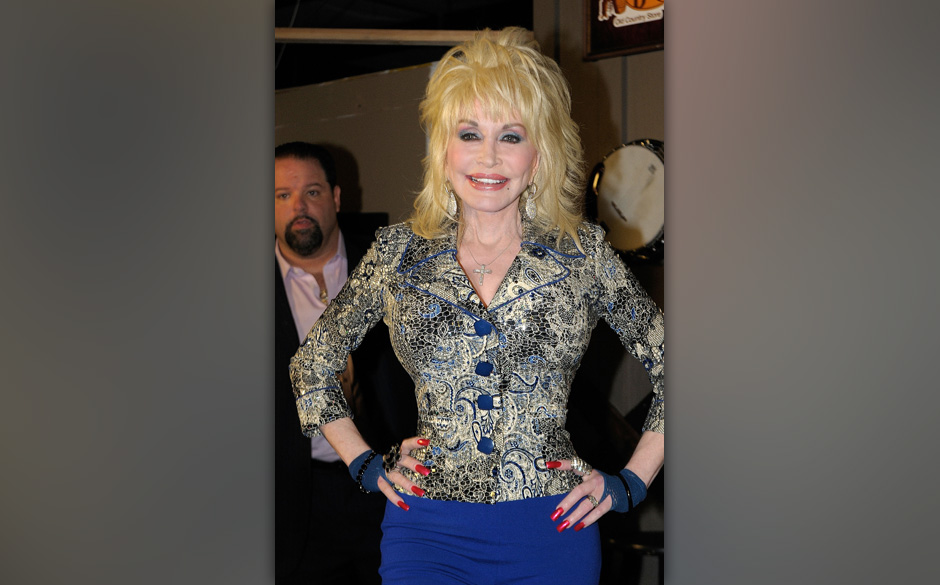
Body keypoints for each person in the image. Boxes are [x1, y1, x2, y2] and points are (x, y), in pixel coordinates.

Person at [290, 28, 664, 585]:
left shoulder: (583, 255)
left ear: (539, 155)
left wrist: (630, 482)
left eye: (511, 136)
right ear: (443, 151)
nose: (489, 156)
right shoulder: (398, 255)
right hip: (426, 530)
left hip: (552, 528)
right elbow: (311, 365)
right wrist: (364, 463)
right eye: (470, 133)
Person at [275, 141, 414, 584]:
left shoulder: (390, 267)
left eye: (312, 192)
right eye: (282, 195)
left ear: (336, 197)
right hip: (294, 501)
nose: (298, 207)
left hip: (390, 487)